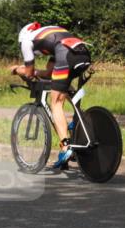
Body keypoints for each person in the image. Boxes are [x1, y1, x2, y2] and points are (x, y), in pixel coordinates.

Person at [10, 23, 92, 168]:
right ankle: (77, 122)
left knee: (56, 103)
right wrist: (36, 72)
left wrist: (17, 70)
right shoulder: (52, 34)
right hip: (83, 53)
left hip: (66, 56)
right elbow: (48, 73)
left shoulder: (26, 40)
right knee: (64, 87)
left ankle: (66, 147)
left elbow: (28, 73)